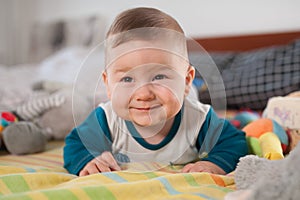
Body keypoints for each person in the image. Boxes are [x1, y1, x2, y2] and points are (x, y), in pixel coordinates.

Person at [63, 7, 248, 176]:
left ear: (186, 80)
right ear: (108, 85)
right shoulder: (107, 118)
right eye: (127, 79)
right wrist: (89, 161)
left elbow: (234, 142)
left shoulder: (198, 118)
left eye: (159, 77)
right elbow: (75, 144)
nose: (143, 94)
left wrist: (214, 164)